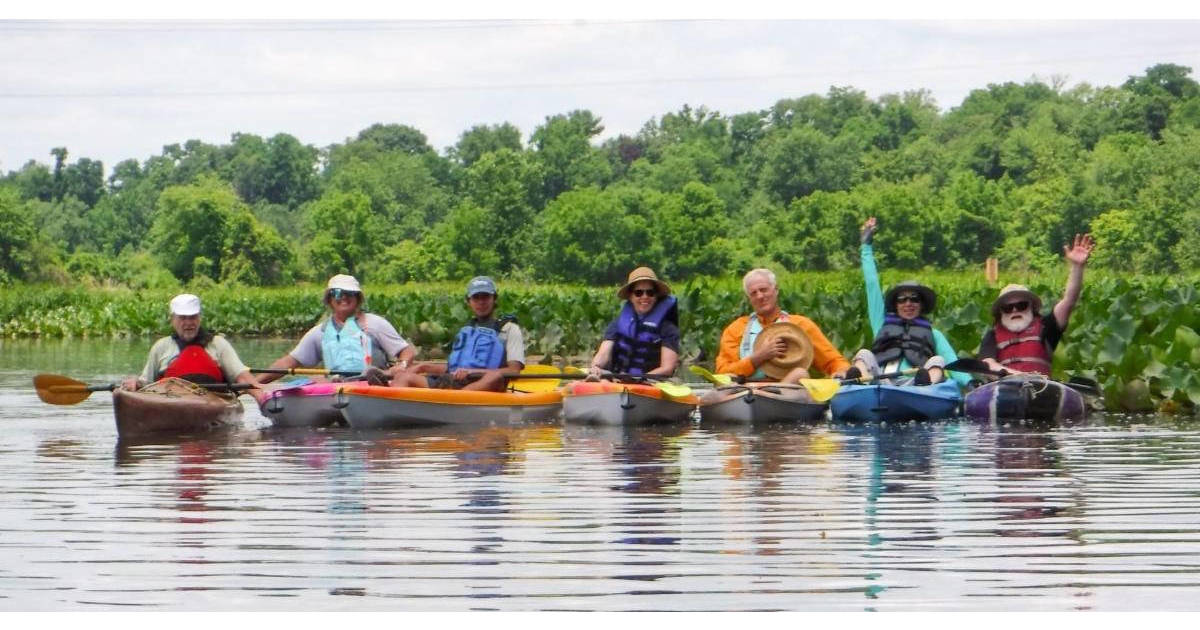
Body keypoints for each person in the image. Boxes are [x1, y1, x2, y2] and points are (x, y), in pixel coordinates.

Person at [844, 217, 971, 387]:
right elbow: (872, 285)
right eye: (902, 299)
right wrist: (866, 247)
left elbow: (952, 363)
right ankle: (857, 382)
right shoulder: (881, 323)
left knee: (938, 360)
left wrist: (970, 383)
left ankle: (924, 385)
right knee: (864, 354)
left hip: (914, 383)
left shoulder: (934, 334)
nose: (908, 303)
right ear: (895, 305)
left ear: (921, 304)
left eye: (914, 299)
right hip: (879, 382)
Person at [258, 274, 416, 387]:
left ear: (358, 298)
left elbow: (406, 351)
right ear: (329, 299)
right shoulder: (318, 333)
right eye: (338, 293)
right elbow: (288, 363)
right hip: (336, 387)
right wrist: (253, 383)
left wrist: (401, 365)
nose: (344, 298)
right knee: (318, 379)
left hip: (373, 384)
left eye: (350, 294)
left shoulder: (376, 324)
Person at [979, 234, 1096, 377]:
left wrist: (1077, 267)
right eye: (1008, 308)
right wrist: (1019, 376)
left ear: (1031, 307)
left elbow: (1069, 301)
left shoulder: (1046, 328)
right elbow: (988, 365)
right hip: (1004, 392)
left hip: (1042, 391)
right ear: (1001, 313)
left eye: (1021, 305)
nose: (1015, 310)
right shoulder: (992, 335)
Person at [715, 267, 850, 383]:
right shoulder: (736, 328)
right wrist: (758, 357)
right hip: (746, 391)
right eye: (753, 293)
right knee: (726, 380)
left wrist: (841, 372)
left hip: (786, 389)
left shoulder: (801, 325)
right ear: (749, 298)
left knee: (800, 375)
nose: (760, 296)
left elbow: (833, 361)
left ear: (776, 290)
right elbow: (722, 372)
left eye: (764, 290)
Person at [392, 276, 525, 392]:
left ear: (494, 299)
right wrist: (423, 366)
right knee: (403, 377)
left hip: (485, 384)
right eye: (476, 297)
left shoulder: (509, 329)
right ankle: (393, 409)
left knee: (494, 377)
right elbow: (452, 368)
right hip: (454, 383)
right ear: (469, 301)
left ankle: (453, 398)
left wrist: (472, 372)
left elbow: (513, 371)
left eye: (485, 297)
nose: (481, 302)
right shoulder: (466, 329)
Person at [121, 293, 261, 392]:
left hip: (213, 399)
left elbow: (241, 376)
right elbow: (146, 384)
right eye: (182, 318)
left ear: (199, 318)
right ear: (173, 319)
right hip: (170, 401)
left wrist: (262, 396)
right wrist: (135, 383)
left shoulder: (218, 344)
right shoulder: (161, 347)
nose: (188, 323)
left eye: (193, 317)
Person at [586, 267, 680, 380]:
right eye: (638, 293)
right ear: (630, 296)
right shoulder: (617, 324)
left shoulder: (668, 328)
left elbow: (667, 368)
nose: (644, 297)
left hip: (652, 382)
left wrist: (639, 378)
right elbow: (604, 352)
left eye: (650, 293)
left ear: (656, 297)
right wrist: (596, 366)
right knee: (597, 374)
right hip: (618, 379)